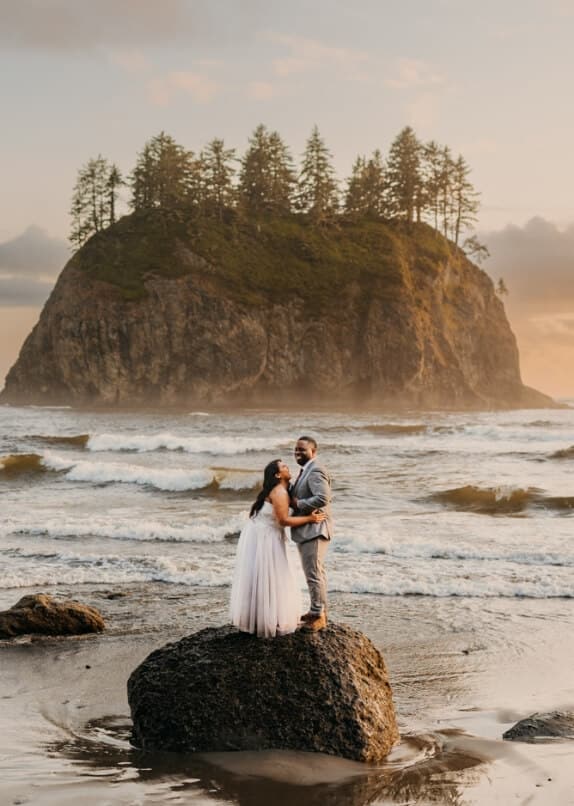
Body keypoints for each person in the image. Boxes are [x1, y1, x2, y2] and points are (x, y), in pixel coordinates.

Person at [230, 458, 326, 639]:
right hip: (266, 536)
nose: (288, 467)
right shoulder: (279, 492)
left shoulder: (283, 490)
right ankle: (266, 620)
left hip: (262, 534)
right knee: (270, 576)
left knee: (264, 576)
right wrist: (310, 519)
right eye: (284, 466)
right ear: (277, 475)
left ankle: (260, 618)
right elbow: (283, 520)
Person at [290, 436, 333, 632]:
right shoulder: (306, 469)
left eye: (302, 450)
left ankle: (318, 615)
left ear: (313, 452)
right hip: (309, 529)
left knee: (314, 574)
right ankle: (318, 611)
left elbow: (323, 497)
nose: (297, 453)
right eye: (296, 449)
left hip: (315, 529)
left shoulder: (315, 469)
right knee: (315, 573)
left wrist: (299, 504)